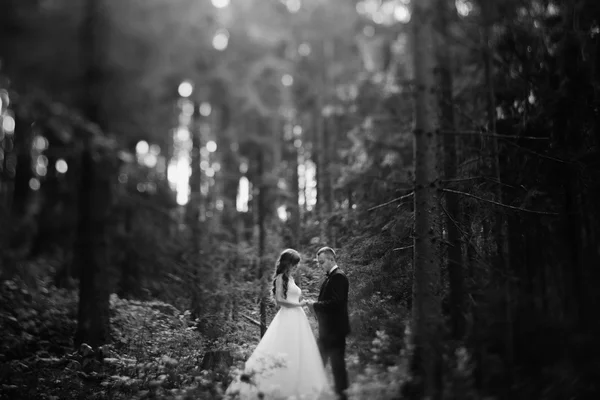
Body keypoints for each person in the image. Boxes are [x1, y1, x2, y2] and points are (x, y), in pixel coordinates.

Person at [225, 248, 331, 399]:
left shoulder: (292, 279)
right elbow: (280, 300)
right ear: (287, 263)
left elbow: (294, 298)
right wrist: (297, 305)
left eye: (296, 265)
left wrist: (304, 303)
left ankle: (298, 386)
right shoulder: (280, 278)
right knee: (284, 347)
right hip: (287, 317)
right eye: (293, 264)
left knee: (299, 349)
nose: (295, 267)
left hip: (299, 318)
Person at [306, 246, 350, 400]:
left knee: (337, 367)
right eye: (319, 263)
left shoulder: (339, 277)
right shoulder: (331, 277)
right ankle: (314, 393)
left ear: (332, 259)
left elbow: (337, 303)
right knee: (319, 362)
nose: (320, 265)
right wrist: (315, 307)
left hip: (335, 332)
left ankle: (342, 395)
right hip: (328, 331)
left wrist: (315, 305)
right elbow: (329, 302)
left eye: (322, 262)